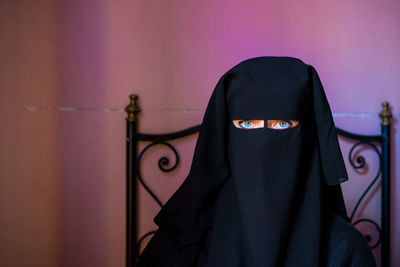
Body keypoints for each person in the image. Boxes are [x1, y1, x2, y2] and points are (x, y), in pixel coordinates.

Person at [136, 56, 377, 267]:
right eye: (247, 125)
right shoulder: (181, 244)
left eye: (283, 125)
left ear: (309, 140)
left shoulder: (345, 248)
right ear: (223, 138)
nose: (264, 143)